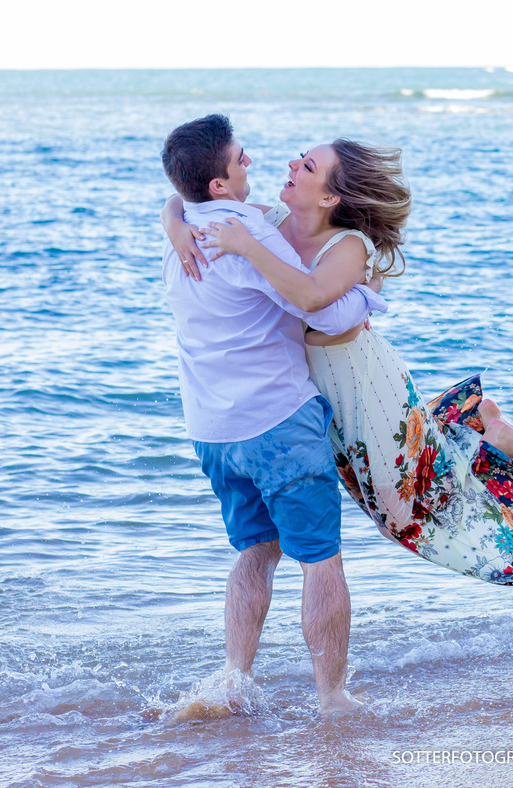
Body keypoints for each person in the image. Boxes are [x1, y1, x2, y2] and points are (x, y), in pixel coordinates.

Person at [164, 139, 513, 587]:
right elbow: (188, 197)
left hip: (359, 380)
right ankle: (476, 421)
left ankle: (487, 436)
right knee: (395, 494)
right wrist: (174, 225)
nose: (292, 164)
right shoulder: (269, 220)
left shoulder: (348, 246)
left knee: (401, 509)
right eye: (301, 157)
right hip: (311, 391)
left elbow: (315, 301)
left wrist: (248, 248)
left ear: (329, 197)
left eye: (307, 166)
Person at [159, 115, 385, 715]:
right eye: (241, 159)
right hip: (277, 421)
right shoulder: (249, 232)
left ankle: (234, 680)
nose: (254, 163)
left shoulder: (187, 226)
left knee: (256, 551)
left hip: (210, 430)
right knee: (320, 557)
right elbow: (321, 309)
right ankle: (332, 698)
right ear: (218, 183)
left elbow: (174, 202)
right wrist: (366, 298)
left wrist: (173, 218)